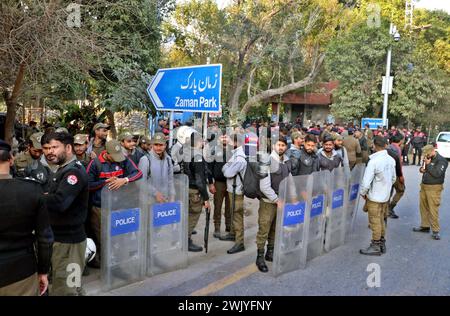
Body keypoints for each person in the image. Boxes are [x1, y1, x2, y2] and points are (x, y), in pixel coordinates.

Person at [0, 140, 53, 296]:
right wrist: (43, 271)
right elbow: (45, 238)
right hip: (21, 273)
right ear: (11, 159)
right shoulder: (31, 189)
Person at [41, 132, 89, 295]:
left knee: (67, 289)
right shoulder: (63, 169)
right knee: (66, 286)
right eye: (46, 148)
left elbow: (60, 202)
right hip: (59, 240)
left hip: (70, 243)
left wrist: (38, 198)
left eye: (54, 147)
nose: (49, 152)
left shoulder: (73, 173)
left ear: (68, 148)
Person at [86, 139, 142, 267]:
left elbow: (138, 173)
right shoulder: (95, 164)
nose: (118, 159)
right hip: (99, 207)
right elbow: (87, 185)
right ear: (106, 153)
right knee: (102, 237)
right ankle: (103, 263)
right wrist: (104, 182)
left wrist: (124, 180)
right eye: (114, 157)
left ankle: (116, 261)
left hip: (118, 205)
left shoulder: (123, 159)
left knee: (117, 236)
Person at [256, 136, 292, 273]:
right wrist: (277, 200)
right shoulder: (267, 161)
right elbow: (264, 186)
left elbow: (290, 180)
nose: (281, 147)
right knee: (264, 229)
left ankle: (270, 252)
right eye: (279, 145)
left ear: (286, 147)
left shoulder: (287, 161)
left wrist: (292, 197)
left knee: (275, 229)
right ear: (274, 146)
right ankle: (259, 257)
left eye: (283, 145)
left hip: (282, 201)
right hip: (268, 202)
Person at [359, 136, 396, 256]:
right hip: (385, 197)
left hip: (374, 197)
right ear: (385, 145)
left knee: (375, 221)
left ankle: (375, 245)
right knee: (381, 220)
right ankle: (381, 243)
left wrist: (363, 193)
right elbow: (394, 178)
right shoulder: (391, 160)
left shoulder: (373, 161)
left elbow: (366, 182)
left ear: (374, 146)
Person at [413, 145, 448, 240]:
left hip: (434, 187)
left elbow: (437, 174)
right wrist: (422, 169)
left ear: (433, 151)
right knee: (423, 207)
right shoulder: (428, 158)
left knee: (433, 209)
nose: (426, 155)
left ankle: (435, 230)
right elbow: (423, 169)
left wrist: (428, 164)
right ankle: (425, 226)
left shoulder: (442, 161)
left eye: (427, 153)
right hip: (424, 186)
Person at [183, 132, 211, 252]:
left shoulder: (186, 152)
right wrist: (206, 198)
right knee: (193, 215)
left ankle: (182, 237)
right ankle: (186, 240)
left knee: (186, 215)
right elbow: (200, 181)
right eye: (202, 141)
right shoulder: (197, 156)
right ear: (199, 142)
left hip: (185, 187)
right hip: (194, 190)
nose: (204, 143)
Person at [221, 133, 247, 254]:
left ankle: (239, 242)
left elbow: (227, 173)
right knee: (233, 213)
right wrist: (227, 167)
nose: (228, 143)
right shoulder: (236, 154)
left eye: (230, 141)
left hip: (237, 191)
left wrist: (226, 167)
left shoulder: (239, 157)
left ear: (236, 143)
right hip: (233, 189)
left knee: (237, 216)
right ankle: (232, 233)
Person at [206, 134, 232, 239]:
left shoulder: (233, 151)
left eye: (226, 137)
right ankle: (217, 227)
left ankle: (229, 226)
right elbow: (209, 168)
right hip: (219, 183)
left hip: (231, 182)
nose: (224, 139)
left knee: (230, 206)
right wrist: (210, 183)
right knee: (218, 206)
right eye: (222, 137)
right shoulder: (214, 150)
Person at [138, 133, 175, 202]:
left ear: (165, 145)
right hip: (149, 201)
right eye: (156, 145)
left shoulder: (168, 159)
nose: (158, 147)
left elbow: (170, 179)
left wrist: (172, 195)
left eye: (161, 145)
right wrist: (155, 193)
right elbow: (140, 182)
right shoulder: (145, 159)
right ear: (152, 145)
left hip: (164, 199)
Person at [387, 133, 405, 219]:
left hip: (386, 174)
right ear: (400, 140)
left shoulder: (388, 147)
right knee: (401, 190)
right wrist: (401, 176)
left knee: (388, 193)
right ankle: (390, 208)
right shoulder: (397, 149)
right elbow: (399, 164)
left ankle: (385, 210)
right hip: (395, 173)